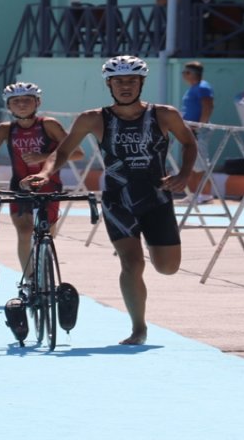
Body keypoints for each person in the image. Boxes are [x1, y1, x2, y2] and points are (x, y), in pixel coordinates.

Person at [23, 55, 198, 346]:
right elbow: (63, 152)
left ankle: (143, 309)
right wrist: (44, 173)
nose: (125, 86)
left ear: (141, 83)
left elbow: (189, 142)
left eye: (131, 81)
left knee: (167, 267)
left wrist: (185, 173)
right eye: (119, 81)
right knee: (131, 264)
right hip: (118, 201)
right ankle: (138, 328)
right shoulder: (92, 118)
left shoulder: (164, 114)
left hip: (156, 199)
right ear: (109, 84)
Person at [0, 82, 80, 270]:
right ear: (8, 106)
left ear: (37, 102)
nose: (22, 104)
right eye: (16, 101)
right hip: (19, 186)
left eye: (27, 100)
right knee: (24, 233)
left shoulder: (49, 125)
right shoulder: (5, 129)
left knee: (46, 235)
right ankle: (29, 281)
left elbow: (77, 153)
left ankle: (43, 277)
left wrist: (42, 157)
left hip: (48, 186)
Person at [179, 61, 214, 202]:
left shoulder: (203, 87)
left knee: (200, 163)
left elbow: (208, 105)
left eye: (185, 72)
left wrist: (200, 125)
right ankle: (194, 194)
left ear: (192, 74)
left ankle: (205, 194)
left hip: (198, 131)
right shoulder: (193, 88)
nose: (183, 75)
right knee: (191, 162)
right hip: (190, 130)